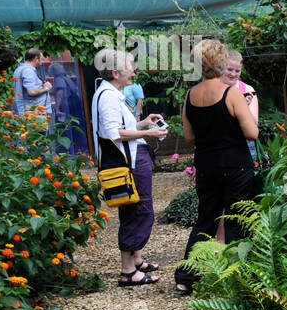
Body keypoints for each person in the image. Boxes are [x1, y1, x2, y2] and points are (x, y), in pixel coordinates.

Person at [174, 39, 259, 294]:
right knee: (236, 220)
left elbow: (189, 138)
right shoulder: (230, 93)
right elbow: (252, 133)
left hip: (207, 165)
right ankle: (238, 277)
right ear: (221, 63)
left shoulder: (190, 95)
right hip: (235, 165)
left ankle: (186, 277)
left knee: (206, 219)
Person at [91, 49, 167, 286]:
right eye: (130, 67)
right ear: (116, 72)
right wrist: (148, 132)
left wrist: (144, 122)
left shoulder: (112, 93)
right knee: (139, 211)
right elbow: (114, 133)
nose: (134, 71)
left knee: (134, 210)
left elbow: (120, 125)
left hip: (131, 159)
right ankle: (127, 271)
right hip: (128, 163)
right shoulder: (109, 96)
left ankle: (135, 260)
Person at [216, 49, 261, 243]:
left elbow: (253, 126)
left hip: (245, 150)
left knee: (243, 200)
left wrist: (243, 106)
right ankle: (219, 243)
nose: (233, 75)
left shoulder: (247, 89)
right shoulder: (214, 90)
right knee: (221, 203)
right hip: (220, 150)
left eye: (237, 71)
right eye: (229, 70)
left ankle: (243, 243)